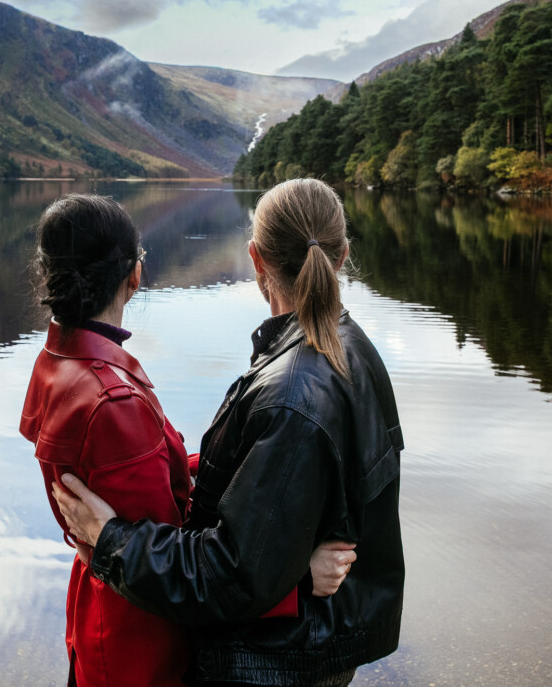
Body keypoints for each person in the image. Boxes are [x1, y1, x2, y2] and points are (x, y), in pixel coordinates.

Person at [53, 178, 405, 687]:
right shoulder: (354, 351)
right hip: (313, 652)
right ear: (343, 254)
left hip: (271, 664)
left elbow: (230, 578)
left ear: (255, 259)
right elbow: (296, 503)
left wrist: (109, 542)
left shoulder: (292, 392)